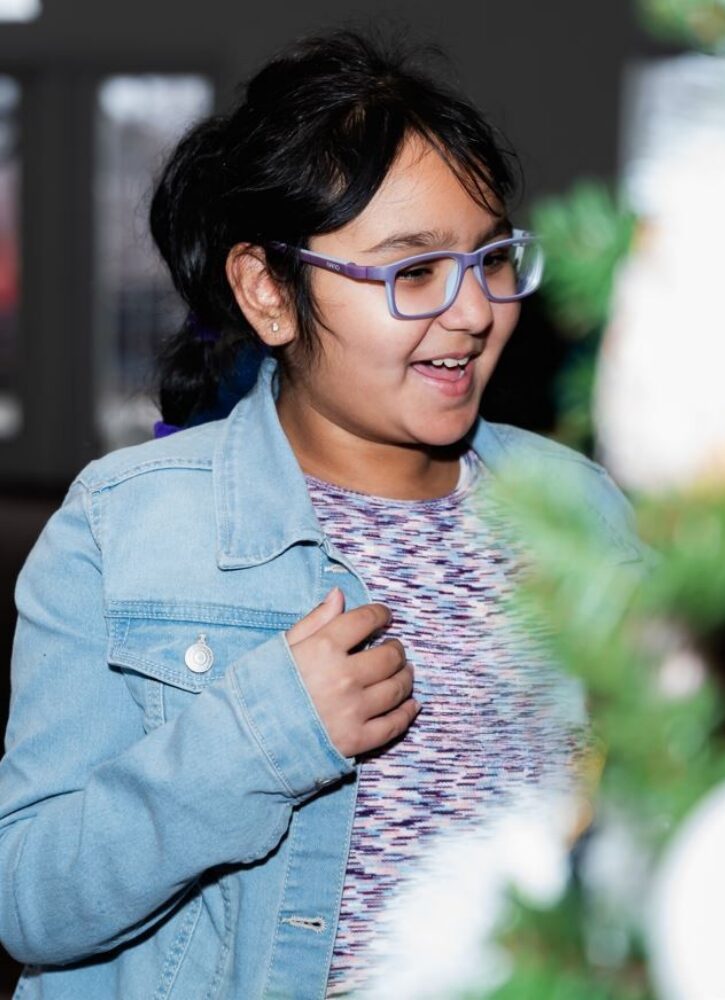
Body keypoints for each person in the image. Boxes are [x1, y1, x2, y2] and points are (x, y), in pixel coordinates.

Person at [0, 31, 641, 999]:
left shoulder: (579, 507)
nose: (474, 312)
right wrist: (261, 737)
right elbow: (30, 896)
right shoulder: (120, 530)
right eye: (412, 273)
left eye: (491, 258)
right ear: (269, 291)